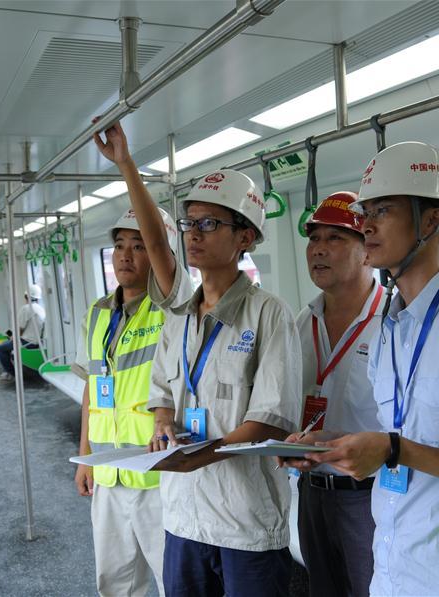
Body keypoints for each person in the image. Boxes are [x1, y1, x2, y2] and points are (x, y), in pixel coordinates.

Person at [304, 142, 439, 596]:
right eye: (366, 212)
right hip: (391, 561)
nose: (365, 224)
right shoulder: (391, 325)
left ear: (431, 221)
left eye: (381, 210)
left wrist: (392, 449)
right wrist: (337, 445)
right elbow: (399, 433)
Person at [94, 121, 302, 597]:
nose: (194, 235)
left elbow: (270, 421)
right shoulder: (179, 316)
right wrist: (164, 426)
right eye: (190, 224)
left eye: (210, 224)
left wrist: (195, 457)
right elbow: (163, 392)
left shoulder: (269, 314)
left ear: (245, 237)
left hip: (244, 522)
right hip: (182, 517)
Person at [279, 192, 383, 597]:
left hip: (371, 495)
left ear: (367, 253)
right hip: (310, 492)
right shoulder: (300, 323)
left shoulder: (392, 322)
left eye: (336, 239)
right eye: (314, 239)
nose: (319, 250)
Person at [72, 207, 177, 597]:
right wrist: (85, 456)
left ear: (158, 253)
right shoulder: (98, 314)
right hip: (107, 472)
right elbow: (91, 389)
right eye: (118, 246)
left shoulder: (171, 309)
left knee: (173, 580)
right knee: (113, 582)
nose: (125, 256)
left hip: (157, 473)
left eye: (139, 246)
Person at [0, 284, 46, 382]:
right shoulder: (41, 309)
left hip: (25, 342)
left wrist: (10, 336)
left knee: (0, 349)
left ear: (26, 296)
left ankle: (12, 374)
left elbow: (19, 330)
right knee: (7, 341)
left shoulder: (26, 308)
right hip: (36, 342)